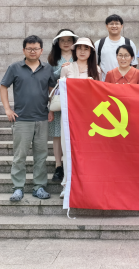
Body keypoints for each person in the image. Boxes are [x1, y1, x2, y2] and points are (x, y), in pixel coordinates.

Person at [0, 35, 56, 202]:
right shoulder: (15, 67)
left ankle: (39, 187)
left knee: (41, 156)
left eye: (36, 48)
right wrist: (7, 109)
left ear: (41, 50)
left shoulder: (47, 68)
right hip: (22, 119)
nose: (33, 51)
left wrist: (51, 109)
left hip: (42, 118)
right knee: (20, 156)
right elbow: (3, 86)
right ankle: (18, 188)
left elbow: (52, 90)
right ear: (24, 50)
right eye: (29, 49)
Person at [53, 37, 102, 198]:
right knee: (68, 148)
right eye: (79, 48)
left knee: (87, 150)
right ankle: (67, 184)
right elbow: (61, 90)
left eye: (86, 48)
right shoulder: (67, 68)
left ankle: (87, 184)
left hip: (89, 117)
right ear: (75, 50)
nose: (82, 51)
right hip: (69, 115)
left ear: (91, 52)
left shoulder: (96, 69)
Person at [46, 29, 78, 184]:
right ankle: (58, 165)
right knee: (57, 133)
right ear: (57, 43)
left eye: (69, 40)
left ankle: (71, 163)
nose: (66, 43)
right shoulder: (53, 60)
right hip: (59, 99)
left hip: (76, 100)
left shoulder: (78, 55)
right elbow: (49, 82)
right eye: (62, 40)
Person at [94, 14, 138, 79]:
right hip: (104, 81)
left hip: (124, 81)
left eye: (117, 23)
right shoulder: (99, 44)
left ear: (121, 26)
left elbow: (134, 63)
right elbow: (94, 63)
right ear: (106, 26)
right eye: (111, 24)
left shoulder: (129, 43)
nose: (114, 26)